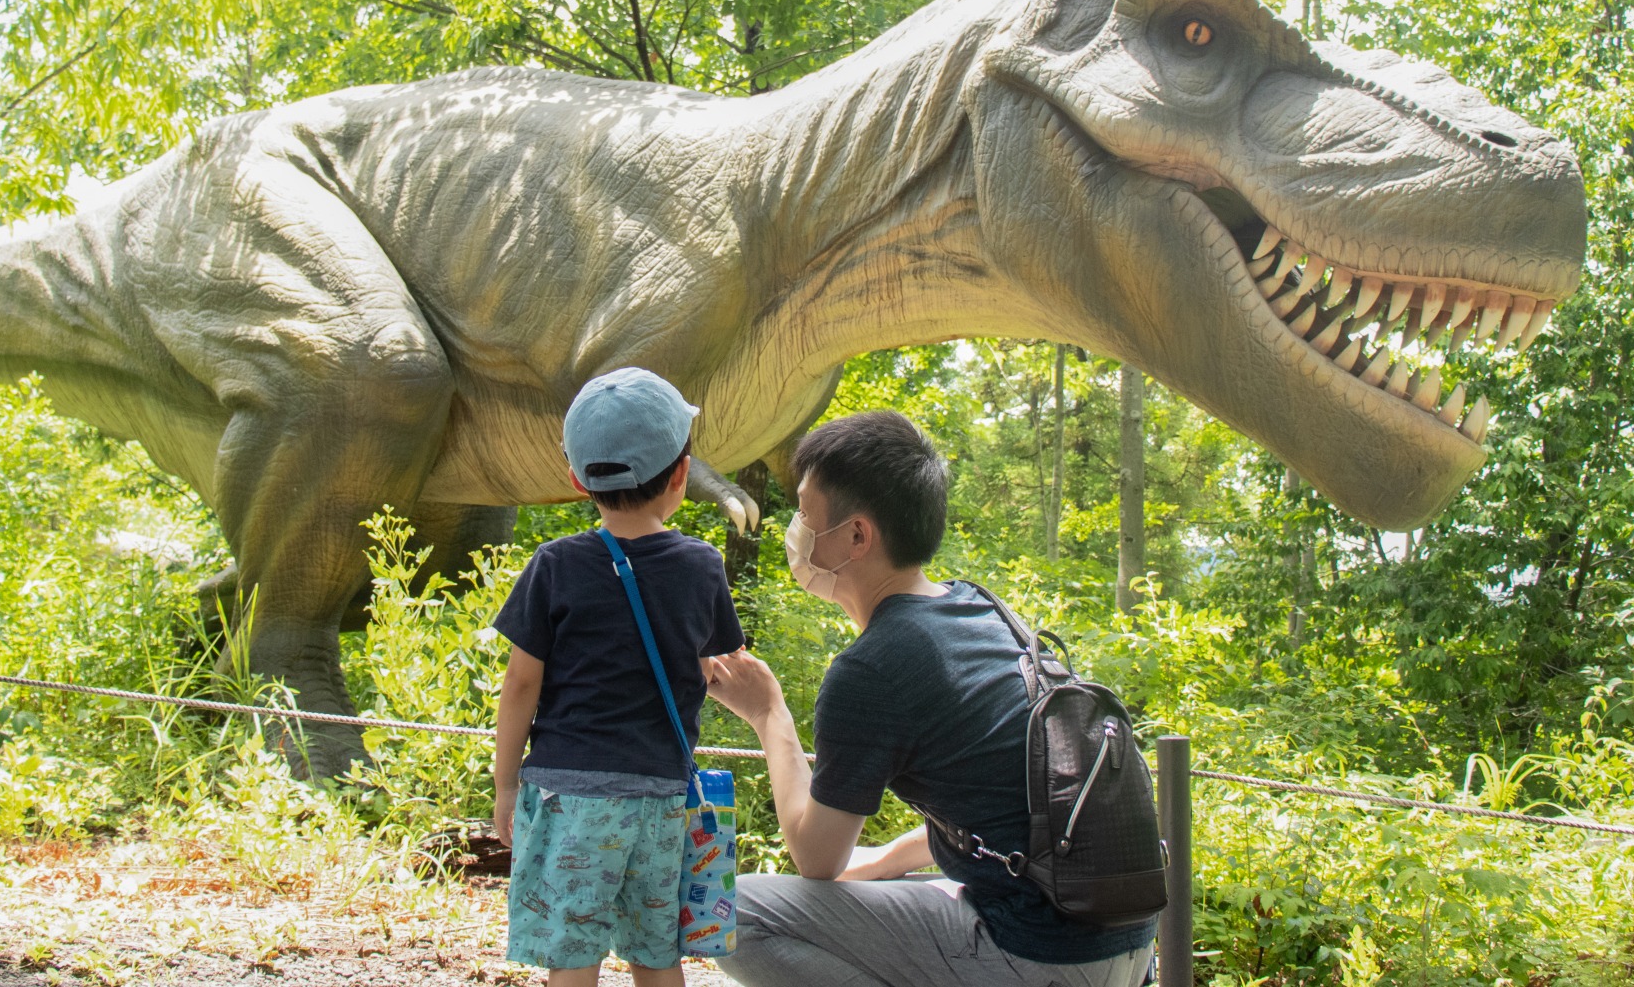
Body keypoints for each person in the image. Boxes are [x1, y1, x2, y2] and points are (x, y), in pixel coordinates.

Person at [704, 410, 1156, 987]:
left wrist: (769, 713)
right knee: (882, 881)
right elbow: (1012, 805)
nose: (794, 527)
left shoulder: (873, 667)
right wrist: (883, 862)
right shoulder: (981, 608)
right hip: (1126, 944)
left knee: (731, 912)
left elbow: (816, 858)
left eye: (804, 510)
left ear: (857, 536)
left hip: (1041, 955)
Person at [492, 367, 747, 987]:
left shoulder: (554, 565)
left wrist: (503, 788)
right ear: (682, 474)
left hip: (567, 794)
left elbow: (521, 685)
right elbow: (710, 664)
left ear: (578, 478)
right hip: (658, 795)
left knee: (572, 956)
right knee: (656, 954)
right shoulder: (700, 566)